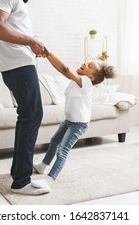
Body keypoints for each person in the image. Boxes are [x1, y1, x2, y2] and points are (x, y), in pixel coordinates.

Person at [0, 0, 51, 195]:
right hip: (17, 66)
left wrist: (32, 43)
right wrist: (29, 42)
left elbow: (9, 29)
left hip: (21, 63)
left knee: (28, 114)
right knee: (33, 114)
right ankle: (21, 182)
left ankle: (19, 171)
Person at [33, 51, 116, 191]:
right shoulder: (76, 81)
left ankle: (49, 181)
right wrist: (47, 57)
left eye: (89, 65)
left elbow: (65, 69)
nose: (85, 63)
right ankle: (42, 166)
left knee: (62, 151)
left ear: (91, 76)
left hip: (79, 124)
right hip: (70, 120)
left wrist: (47, 53)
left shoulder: (85, 82)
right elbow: (62, 70)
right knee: (54, 141)